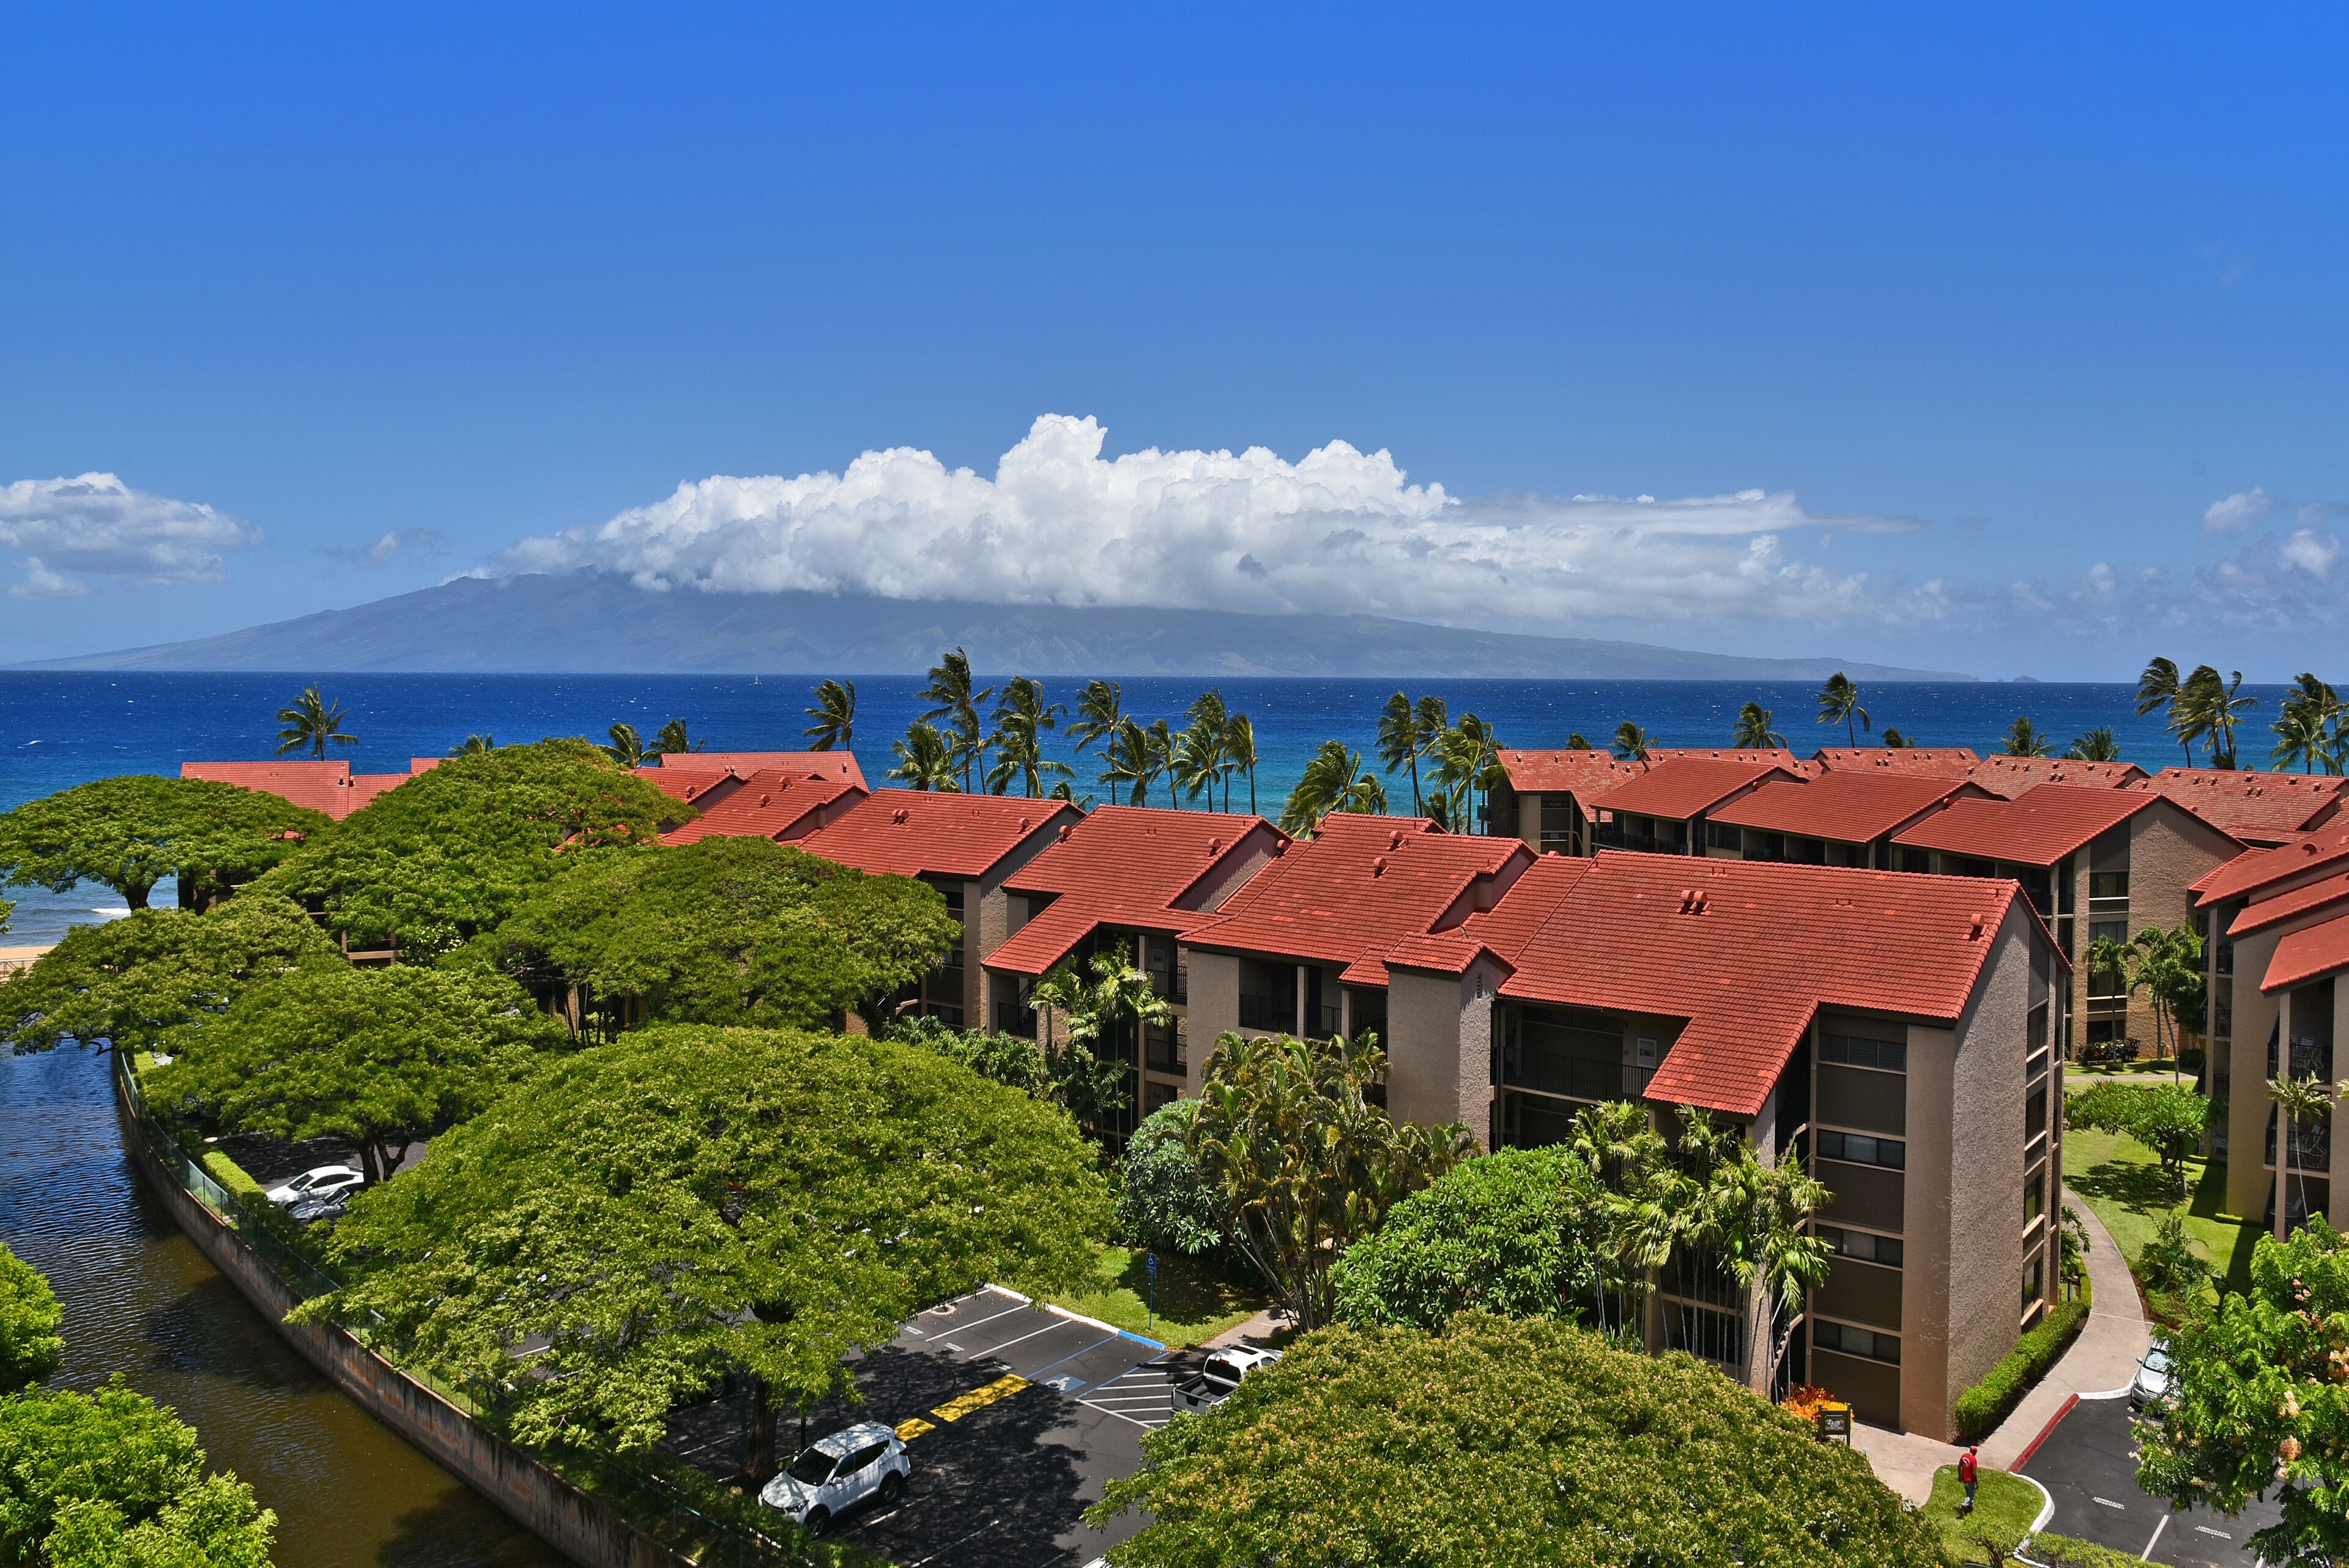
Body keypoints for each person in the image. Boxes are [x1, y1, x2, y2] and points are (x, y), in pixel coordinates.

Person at [1959, 1443, 1979, 1514]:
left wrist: (1960, 1476)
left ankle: (1970, 1506)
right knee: (1971, 1495)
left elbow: (1959, 1466)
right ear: (1975, 1452)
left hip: (1964, 1479)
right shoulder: (1974, 1460)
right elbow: (1974, 1472)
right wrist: (1976, 1482)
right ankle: (1963, 1506)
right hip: (1970, 1480)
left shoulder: (1964, 1456)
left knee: (1968, 1492)